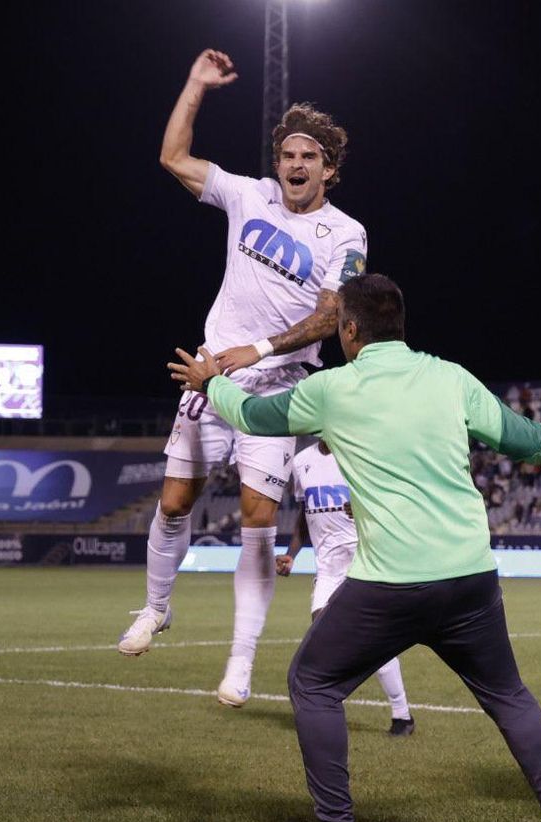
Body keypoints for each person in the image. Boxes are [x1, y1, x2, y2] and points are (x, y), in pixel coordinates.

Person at [168, 273, 541, 822]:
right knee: (509, 696)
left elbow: (257, 418)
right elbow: (517, 435)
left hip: (390, 585)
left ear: (350, 329)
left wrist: (212, 383)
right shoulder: (448, 377)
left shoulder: (335, 388)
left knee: (312, 683)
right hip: (468, 577)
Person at [122, 50, 370, 716]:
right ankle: (155, 608)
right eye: (287, 154)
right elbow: (173, 157)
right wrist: (196, 85)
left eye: (308, 157)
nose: (294, 164)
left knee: (258, 520)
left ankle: (241, 662)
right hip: (211, 375)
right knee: (174, 502)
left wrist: (254, 349)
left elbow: (329, 314)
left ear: (329, 170)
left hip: (278, 387)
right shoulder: (248, 193)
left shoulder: (344, 232)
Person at [278, 439, 414, 735]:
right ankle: (325, 705)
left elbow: (392, 500)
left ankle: (401, 714)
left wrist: (365, 508)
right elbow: (304, 514)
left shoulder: (361, 452)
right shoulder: (302, 462)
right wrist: (291, 554)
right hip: (327, 567)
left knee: (373, 640)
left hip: (363, 560)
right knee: (323, 633)